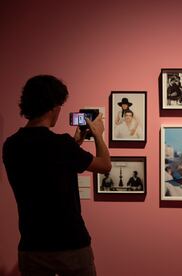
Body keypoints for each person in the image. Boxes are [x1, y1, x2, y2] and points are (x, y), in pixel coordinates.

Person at [2, 75, 111, 276]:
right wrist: (98, 134)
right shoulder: (62, 145)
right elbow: (105, 165)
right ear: (54, 107)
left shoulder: (11, 145)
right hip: (71, 244)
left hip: (31, 246)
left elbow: (46, 168)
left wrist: (75, 144)